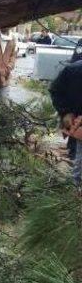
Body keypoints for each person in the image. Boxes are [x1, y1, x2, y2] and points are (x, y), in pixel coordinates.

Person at [50, 59, 82, 188]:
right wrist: (65, 112)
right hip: (78, 123)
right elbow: (56, 91)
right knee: (79, 161)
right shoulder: (73, 71)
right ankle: (75, 190)